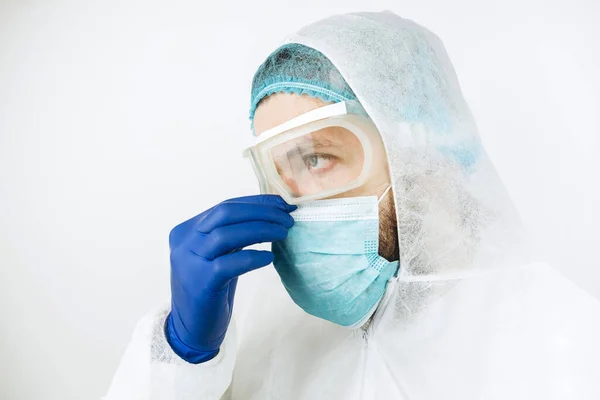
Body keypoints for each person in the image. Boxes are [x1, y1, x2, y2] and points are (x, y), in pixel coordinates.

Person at [104, 10, 600, 400]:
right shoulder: (263, 331)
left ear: (418, 151)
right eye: (277, 170)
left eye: (317, 157)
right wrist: (181, 358)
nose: (294, 201)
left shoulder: (566, 346)